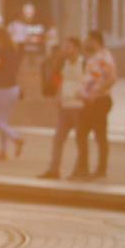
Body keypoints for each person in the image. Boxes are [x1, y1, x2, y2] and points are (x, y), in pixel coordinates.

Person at [71, 29, 117, 181]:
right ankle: (83, 168)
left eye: (88, 39)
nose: (86, 42)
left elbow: (111, 78)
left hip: (99, 100)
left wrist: (96, 93)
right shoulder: (93, 57)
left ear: (95, 41)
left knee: (99, 135)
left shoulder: (104, 57)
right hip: (89, 100)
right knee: (81, 134)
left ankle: (100, 169)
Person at [37, 37, 85, 180]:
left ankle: (79, 170)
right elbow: (58, 80)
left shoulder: (84, 63)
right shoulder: (63, 64)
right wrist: (58, 95)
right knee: (58, 139)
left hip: (79, 107)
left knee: (80, 140)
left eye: (69, 47)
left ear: (76, 48)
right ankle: (54, 169)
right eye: (65, 47)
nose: (65, 51)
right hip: (65, 106)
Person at [0, 25, 24, 160]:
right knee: (4, 121)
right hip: (14, 88)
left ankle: (16, 138)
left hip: (3, 88)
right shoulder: (14, 50)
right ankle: (3, 151)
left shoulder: (1, 50)